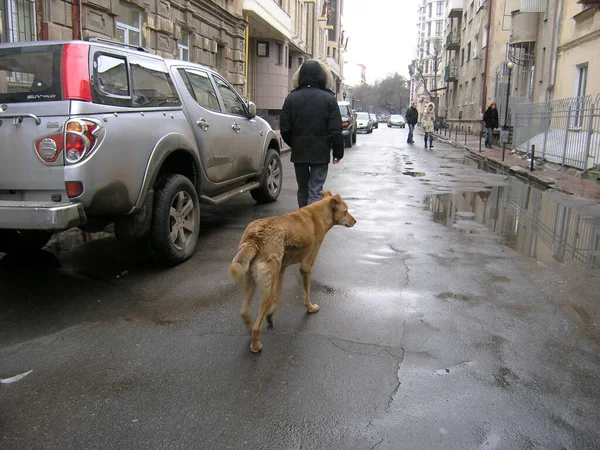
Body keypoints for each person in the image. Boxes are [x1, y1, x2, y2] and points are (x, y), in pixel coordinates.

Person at [280, 59, 344, 208]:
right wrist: (337, 152)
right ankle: (312, 225)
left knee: (302, 189)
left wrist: (295, 143)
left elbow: (285, 128)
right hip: (320, 153)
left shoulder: (291, 99)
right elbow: (336, 130)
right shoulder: (329, 99)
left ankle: (303, 224)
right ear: (322, 77)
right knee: (315, 189)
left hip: (299, 152)